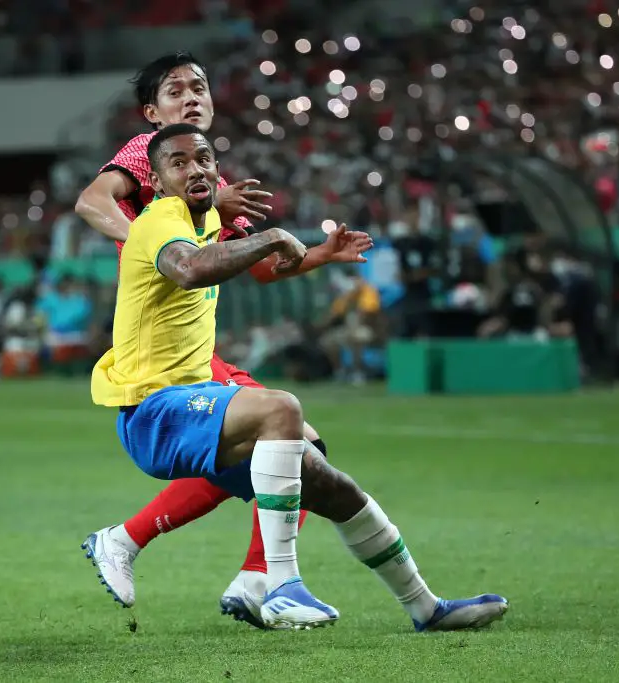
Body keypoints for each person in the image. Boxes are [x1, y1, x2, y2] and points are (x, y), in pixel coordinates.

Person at [92, 124, 508, 631]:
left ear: (218, 170)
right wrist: (273, 236)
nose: (194, 168)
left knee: (329, 483)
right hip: (153, 410)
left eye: (203, 158)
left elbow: (256, 265)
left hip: (193, 398)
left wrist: (310, 251)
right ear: (155, 182)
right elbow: (191, 269)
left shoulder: (207, 221)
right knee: (280, 408)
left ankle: (426, 607)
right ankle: (279, 584)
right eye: (177, 163)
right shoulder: (160, 219)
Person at [76, 51, 370, 627]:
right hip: (163, 356)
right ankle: (256, 578)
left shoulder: (207, 179)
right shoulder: (148, 153)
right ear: (150, 110)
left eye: (199, 87)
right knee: (295, 450)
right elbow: (92, 202)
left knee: (289, 454)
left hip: (191, 351)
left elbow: (259, 266)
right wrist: (159, 241)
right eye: (174, 90)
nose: (190, 97)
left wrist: (318, 255)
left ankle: (249, 580)